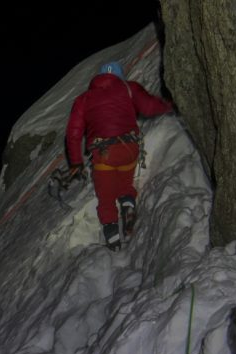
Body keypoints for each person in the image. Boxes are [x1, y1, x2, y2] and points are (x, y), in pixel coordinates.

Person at [64, 60, 174, 250]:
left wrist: (75, 162)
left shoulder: (84, 99)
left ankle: (113, 237)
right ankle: (128, 204)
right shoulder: (128, 88)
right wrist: (170, 106)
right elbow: (149, 107)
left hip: (104, 153)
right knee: (124, 184)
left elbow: (73, 133)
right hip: (129, 148)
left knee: (105, 197)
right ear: (119, 76)